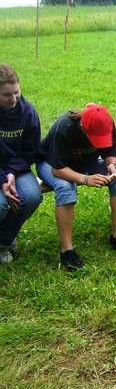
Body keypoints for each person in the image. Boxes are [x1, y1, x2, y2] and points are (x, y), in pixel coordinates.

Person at [38, 103, 116, 271]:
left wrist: (112, 167)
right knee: (65, 188)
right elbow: (57, 170)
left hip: (86, 163)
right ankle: (67, 251)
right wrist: (85, 179)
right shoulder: (64, 128)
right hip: (51, 165)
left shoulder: (106, 123)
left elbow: (110, 154)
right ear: (82, 127)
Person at [0, 63, 43, 264]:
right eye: (7, 95)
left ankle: (4, 240)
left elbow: (31, 152)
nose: (14, 98)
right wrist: (3, 177)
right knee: (1, 205)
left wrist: (11, 174)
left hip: (18, 168)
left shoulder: (28, 113)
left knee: (32, 196)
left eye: (16, 92)